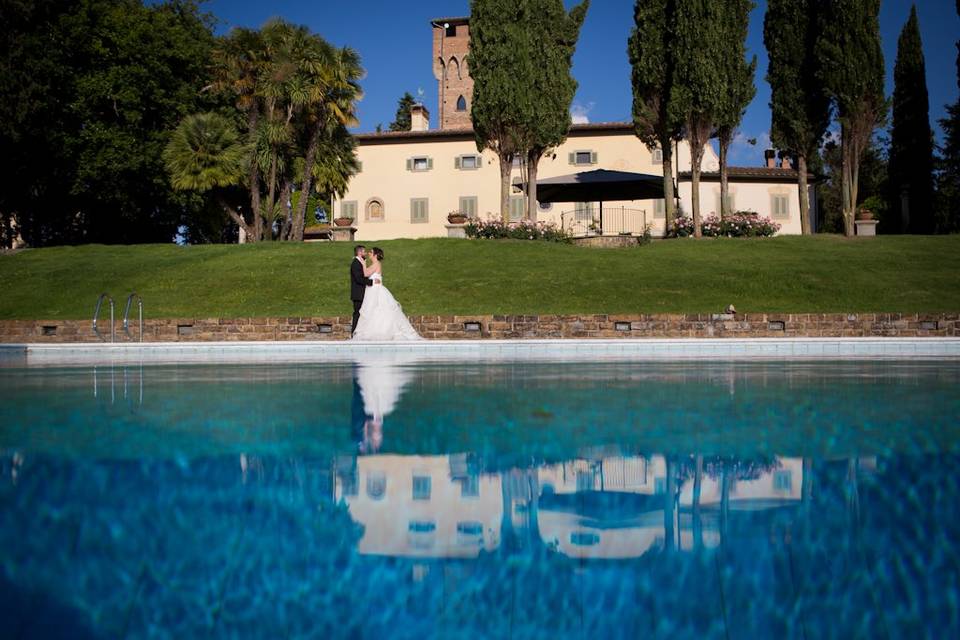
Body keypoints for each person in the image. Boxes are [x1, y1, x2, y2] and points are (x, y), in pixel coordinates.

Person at [351, 247, 423, 341]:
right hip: (372, 291)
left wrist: (363, 264)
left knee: (378, 310)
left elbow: (365, 274)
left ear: (375, 255)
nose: (369, 253)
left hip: (375, 291)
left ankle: (381, 332)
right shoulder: (375, 264)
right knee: (374, 312)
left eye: (371, 252)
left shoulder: (376, 264)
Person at [350, 245, 374, 335]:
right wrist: (371, 282)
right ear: (359, 252)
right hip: (358, 294)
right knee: (357, 313)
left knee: (361, 314)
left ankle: (359, 333)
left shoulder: (360, 262)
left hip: (361, 293)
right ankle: (354, 333)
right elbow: (358, 278)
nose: (365, 254)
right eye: (364, 252)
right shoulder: (355, 263)